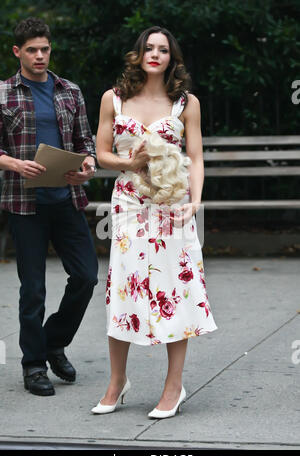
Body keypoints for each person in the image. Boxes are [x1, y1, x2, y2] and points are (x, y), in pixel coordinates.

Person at [93, 26, 217, 418]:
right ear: (138, 54)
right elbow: (100, 153)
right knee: (124, 288)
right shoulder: (113, 98)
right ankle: (117, 381)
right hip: (129, 203)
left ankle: (174, 386)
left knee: (174, 290)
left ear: (171, 59)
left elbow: (195, 157)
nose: (155, 54)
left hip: (172, 205)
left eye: (163, 50)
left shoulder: (186, 103)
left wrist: (195, 202)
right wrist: (129, 163)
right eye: (148, 48)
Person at [0, 17, 98, 396]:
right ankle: (34, 366)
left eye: (45, 49)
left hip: (67, 199)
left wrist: (86, 167)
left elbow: (85, 143)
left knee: (87, 277)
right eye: (32, 50)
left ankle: (52, 340)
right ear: (17, 52)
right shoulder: (5, 93)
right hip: (25, 205)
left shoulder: (69, 90)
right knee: (33, 289)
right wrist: (13, 163)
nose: (40, 56)